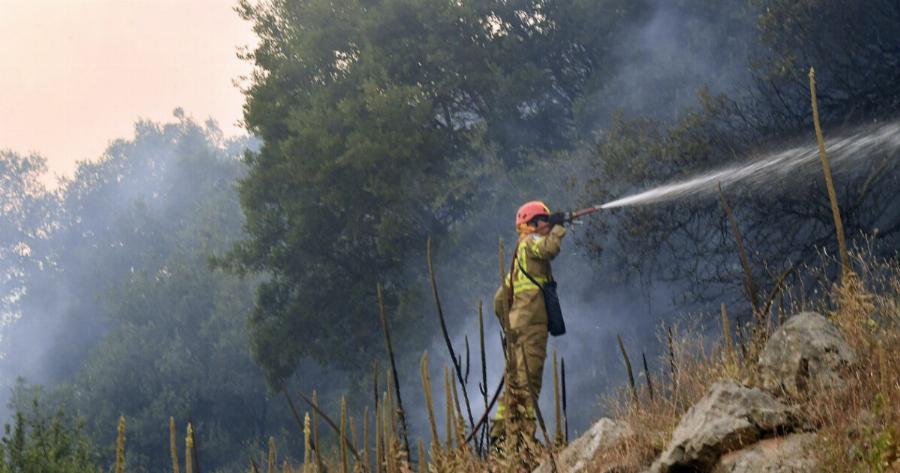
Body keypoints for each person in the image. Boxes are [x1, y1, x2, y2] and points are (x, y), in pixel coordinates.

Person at [491, 200, 567, 446]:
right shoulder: (531, 242)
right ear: (532, 224)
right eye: (543, 220)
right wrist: (558, 227)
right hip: (532, 327)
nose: (546, 224)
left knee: (513, 383)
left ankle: (500, 438)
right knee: (528, 383)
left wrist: (510, 326)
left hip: (517, 329)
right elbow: (549, 249)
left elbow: (499, 299)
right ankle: (522, 441)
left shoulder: (517, 257)